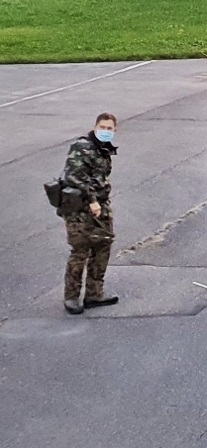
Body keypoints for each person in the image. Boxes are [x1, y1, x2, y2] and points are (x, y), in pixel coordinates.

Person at [59, 112, 120, 315]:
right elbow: (74, 177)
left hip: (101, 206)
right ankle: (71, 297)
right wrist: (92, 200)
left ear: (115, 130)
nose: (105, 131)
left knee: (103, 246)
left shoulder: (104, 149)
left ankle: (94, 293)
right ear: (95, 127)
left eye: (109, 128)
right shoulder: (82, 147)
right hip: (80, 208)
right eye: (102, 127)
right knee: (80, 250)